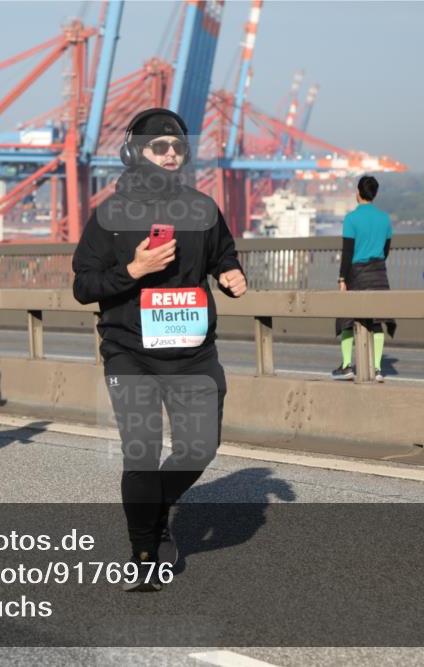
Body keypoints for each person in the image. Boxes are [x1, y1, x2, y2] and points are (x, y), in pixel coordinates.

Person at [72, 108, 247, 592]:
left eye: (177, 147)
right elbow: (84, 285)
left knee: (200, 447)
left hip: (193, 352)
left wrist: (232, 274)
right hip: (131, 351)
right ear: (135, 152)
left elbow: (223, 254)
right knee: (143, 454)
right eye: (159, 147)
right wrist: (133, 270)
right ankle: (144, 553)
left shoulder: (202, 208)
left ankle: (155, 507)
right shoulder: (109, 215)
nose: (171, 155)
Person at [332, 175, 395, 382]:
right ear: (374, 194)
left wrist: (342, 278)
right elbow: (386, 250)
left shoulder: (351, 218)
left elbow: (347, 251)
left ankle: (346, 365)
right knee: (376, 319)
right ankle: (377, 368)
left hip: (357, 272)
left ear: (358, 192)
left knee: (347, 319)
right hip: (378, 271)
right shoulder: (385, 219)